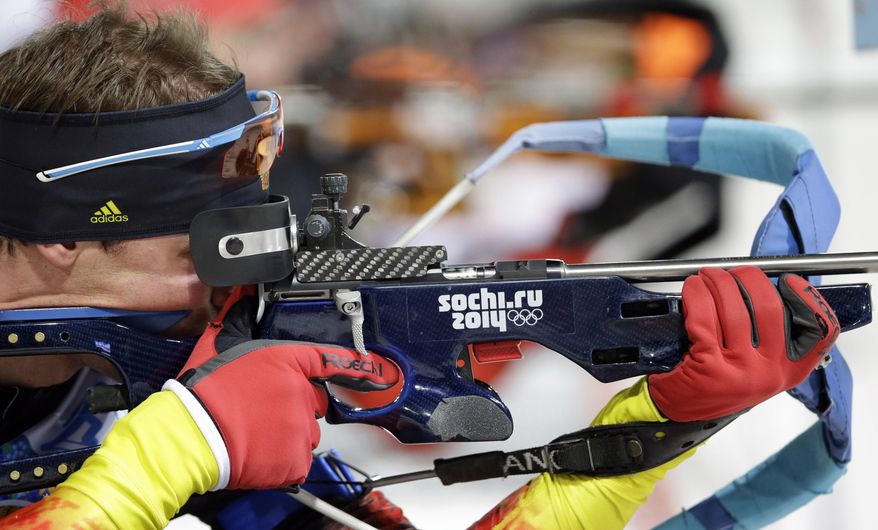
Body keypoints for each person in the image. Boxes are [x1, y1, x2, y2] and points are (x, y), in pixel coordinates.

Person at [0, 5, 840, 529]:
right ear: (60, 238)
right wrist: (177, 450)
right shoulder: (169, 432)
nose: (236, 289)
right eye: (204, 251)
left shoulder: (136, 397)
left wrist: (654, 427)